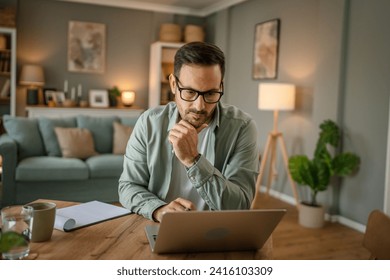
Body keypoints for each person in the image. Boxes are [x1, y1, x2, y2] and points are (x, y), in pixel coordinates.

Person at [118, 41, 259, 222]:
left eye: (210, 93)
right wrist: (159, 209)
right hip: (158, 226)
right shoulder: (149, 122)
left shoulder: (242, 127)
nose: (199, 106)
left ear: (221, 87)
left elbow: (239, 205)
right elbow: (128, 186)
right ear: (173, 84)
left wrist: (193, 160)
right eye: (190, 92)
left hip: (215, 230)